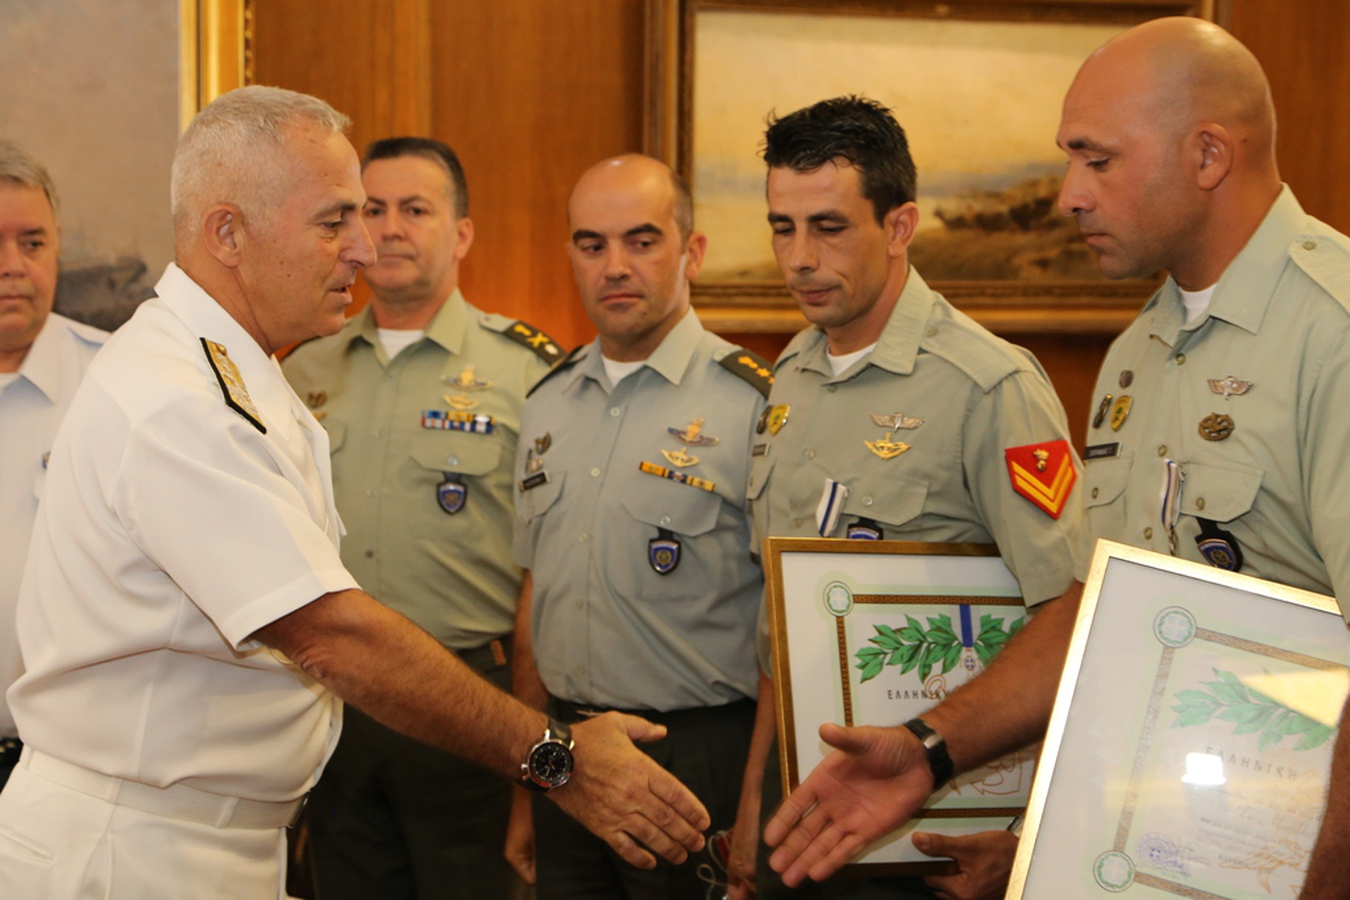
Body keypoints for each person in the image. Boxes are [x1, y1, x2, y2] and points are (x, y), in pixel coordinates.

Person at [0, 87, 709, 900]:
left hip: (198, 838)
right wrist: (558, 758)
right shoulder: (176, 399)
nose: (365, 249)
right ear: (228, 233)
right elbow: (330, 634)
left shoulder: (230, 371)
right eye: (335, 221)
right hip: (133, 851)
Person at [762, 19, 1350, 900]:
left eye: (1097, 161)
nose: (1070, 194)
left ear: (1208, 155)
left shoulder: (1331, 333)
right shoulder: (1139, 353)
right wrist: (932, 751)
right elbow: (1095, 613)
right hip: (1150, 856)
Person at [726, 96, 1082, 900]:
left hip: (931, 826)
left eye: (829, 227)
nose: (799, 259)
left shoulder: (989, 386)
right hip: (802, 808)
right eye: (783, 228)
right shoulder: (792, 373)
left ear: (899, 227)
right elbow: (783, 625)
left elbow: (1070, 621)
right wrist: (754, 797)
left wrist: (1027, 839)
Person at [283, 136, 560, 900]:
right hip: (334, 704)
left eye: (416, 210)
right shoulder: (303, 367)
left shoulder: (529, 372)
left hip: (468, 702)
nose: (390, 228)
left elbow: (549, 570)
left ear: (462, 233)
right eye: (371, 210)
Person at [507, 153, 771, 898]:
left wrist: (760, 798)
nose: (615, 266)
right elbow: (535, 596)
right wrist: (528, 781)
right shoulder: (547, 401)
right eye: (592, 245)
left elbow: (784, 627)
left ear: (693, 252)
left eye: (642, 241)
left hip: (696, 761)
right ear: (571, 256)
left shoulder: (754, 405)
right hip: (566, 750)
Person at [0, 141, 108, 790]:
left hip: (69, 769)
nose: (12, 266)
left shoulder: (117, 382)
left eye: (32, 243)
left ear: (57, 247)